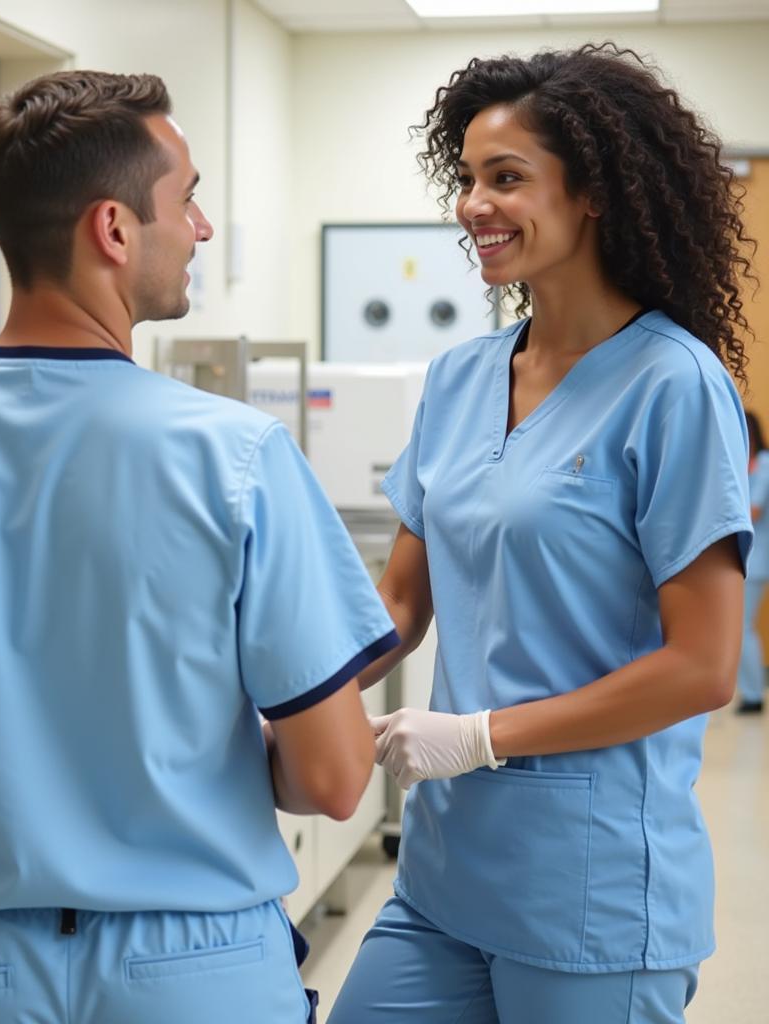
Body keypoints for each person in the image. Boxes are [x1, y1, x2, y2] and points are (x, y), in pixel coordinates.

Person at [0, 70, 398, 1024]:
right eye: (189, 199)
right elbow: (335, 780)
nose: (203, 229)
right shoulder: (237, 456)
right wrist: (179, 751)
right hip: (190, 969)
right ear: (114, 228)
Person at [328, 43, 754, 1024]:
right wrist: (287, 693)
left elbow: (700, 666)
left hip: (590, 889)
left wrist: (480, 735)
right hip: (442, 876)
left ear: (594, 192)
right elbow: (397, 603)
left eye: (506, 178)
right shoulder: (458, 380)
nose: (475, 204)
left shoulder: (672, 386)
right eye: (468, 178)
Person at [738, 409, 769, 713]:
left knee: (742, 628)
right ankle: (751, 692)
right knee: (742, 628)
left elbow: (753, 512)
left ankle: (753, 696)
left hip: (756, 561)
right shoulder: (749, 466)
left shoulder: (764, 466)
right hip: (750, 560)